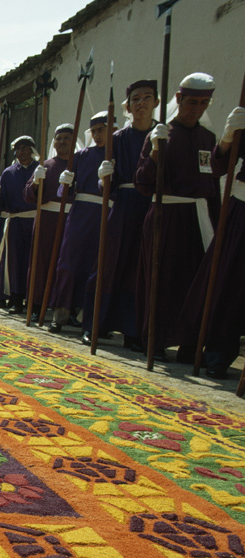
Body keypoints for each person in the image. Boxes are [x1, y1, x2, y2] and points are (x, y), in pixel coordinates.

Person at [134, 73, 219, 361]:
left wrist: (218, 223)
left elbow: (212, 185)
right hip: (166, 216)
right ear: (179, 99)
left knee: (196, 282)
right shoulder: (159, 135)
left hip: (198, 218)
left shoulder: (209, 138)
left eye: (204, 103)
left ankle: (190, 344)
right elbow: (143, 183)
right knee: (162, 280)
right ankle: (155, 340)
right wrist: (156, 153)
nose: (197, 109)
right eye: (192, 102)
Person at [82, 79, 159, 350]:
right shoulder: (117, 139)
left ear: (156, 102)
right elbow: (109, 184)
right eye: (136, 99)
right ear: (127, 106)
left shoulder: (163, 134)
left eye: (147, 98)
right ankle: (94, 325)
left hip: (153, 206)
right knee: (109, 264)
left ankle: (134, 332)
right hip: (125, 206)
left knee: (142, 269)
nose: (141, 104)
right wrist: (105, 179)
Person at [178, 103, 245, 378]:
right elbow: (216, 166)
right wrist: (228, 138)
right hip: (242, 208)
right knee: (228, 283)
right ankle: (216, 353)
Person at [47, 113, 109, 333]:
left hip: (108, 213)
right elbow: (67, 191)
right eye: (95, 131)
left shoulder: (119, 152)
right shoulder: (82, 156)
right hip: (82, 213)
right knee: (69, 263)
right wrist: (65, 185)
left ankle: (89, 319)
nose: (99, 135)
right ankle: (60, 313)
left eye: (104, 130)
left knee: (97, 266)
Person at [24, 123, 74, 316]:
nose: (62, 142)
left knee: (67, 264)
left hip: (72, 219)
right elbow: (28, 195)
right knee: (41, 261)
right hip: (46, 219)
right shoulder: (45, 166)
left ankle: (64, 307)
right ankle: (37, 304)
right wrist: (36, 182)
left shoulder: (78, 162)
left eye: (66, 138)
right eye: (58, 139)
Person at [0, 136, 39, 312]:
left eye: (26, 148)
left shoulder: (40, 169)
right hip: (15, 222)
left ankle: (34, 302)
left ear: (32, 150)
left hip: (35, 220)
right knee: (15, 262)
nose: (22, 152)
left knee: (34, 261)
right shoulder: (8, 173)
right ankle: (16, 299)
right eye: (18, 149)